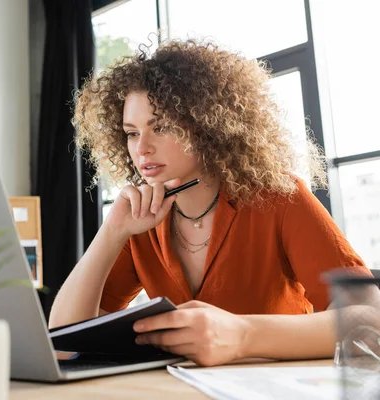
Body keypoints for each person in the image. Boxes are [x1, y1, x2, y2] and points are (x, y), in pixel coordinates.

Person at [48, 38, 373, 367]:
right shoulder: (138, 221)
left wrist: (243, 334)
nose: (142, 148)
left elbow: (370, 321)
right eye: (131, 133)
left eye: (160, 127)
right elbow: (63, 345)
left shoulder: (279, 197)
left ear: (206, 126)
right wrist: (111, 232)